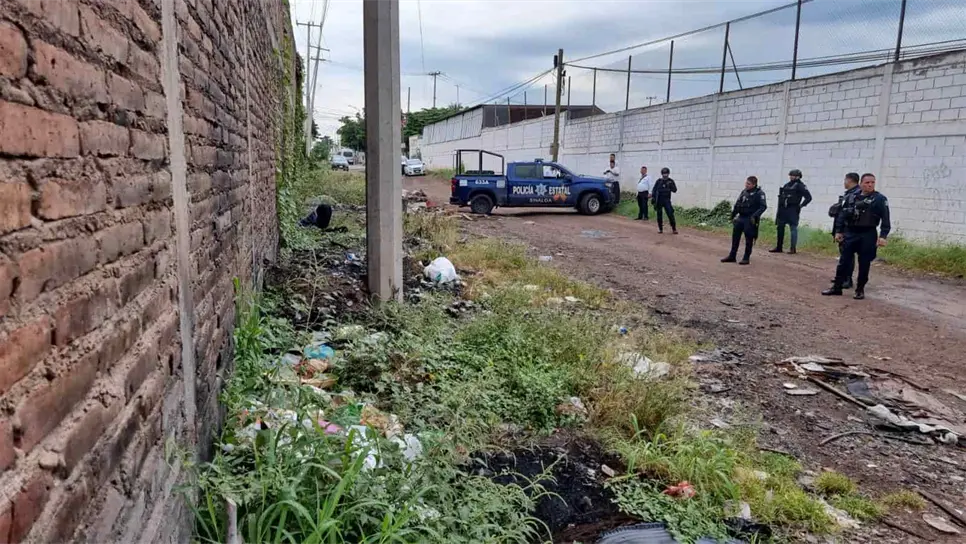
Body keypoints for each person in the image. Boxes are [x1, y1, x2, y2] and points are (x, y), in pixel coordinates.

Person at [823, 173, 890, 300]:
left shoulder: (880, 199)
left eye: (872, 182)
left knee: (864, 263)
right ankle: (837, 287)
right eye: (867, 182)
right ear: (861, 184)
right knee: (843, 261)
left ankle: (860, 289)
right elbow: (842, 215)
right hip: (851, 232)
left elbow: (886, 219)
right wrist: (838, 231)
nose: (870, 185)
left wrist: (883, 236)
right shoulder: (851, 197)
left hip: (868, 233)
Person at [722, 176, 767, 265]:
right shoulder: (744, 192)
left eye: (748, 184)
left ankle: (746, 258)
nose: (746, 185)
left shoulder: (759, 193)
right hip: (741, 217)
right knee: (735, 237)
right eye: (746, 183)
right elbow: (737, 204)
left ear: (754, 184)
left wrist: (754, 216)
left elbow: (763, 207)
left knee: (749, 239)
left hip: (750, 218)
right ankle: (732, 256)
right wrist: (733, 215)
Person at [828, 172, 862, 289]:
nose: (844, 182)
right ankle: (842, 277)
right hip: (844, 229)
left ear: (849, 180)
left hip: (848, 230)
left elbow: (849, 213)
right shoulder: (850, 194)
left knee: (848, 256)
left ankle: (847, 280)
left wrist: (841, 230)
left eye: (845, 180)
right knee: (844, 255)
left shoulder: (855, 194)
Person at [769, 169, 812, 254]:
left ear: (798, 176)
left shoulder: (800, 186)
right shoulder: (787, 185)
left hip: (793, 209)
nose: (791, 177)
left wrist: (801, 205)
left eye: (793, 175)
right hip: (783, 209)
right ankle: (779, 247)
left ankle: (793, 248)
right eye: (791, 175)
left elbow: (808, 197)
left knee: (793, 228)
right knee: (780, 227)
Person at [651, 167, 678, 234]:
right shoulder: (659, 181)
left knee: (670, 213)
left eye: (666, 173)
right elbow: (654, 190)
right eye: (664, 174)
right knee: (659, 215)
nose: (665, 175)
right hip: (659, 200)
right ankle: (660, 229)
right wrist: (653, 198)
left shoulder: (670, 181)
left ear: (668, 174)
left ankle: (674, 228)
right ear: (662, 174)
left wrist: (670, 185)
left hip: (667, 200)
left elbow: (675, 190)